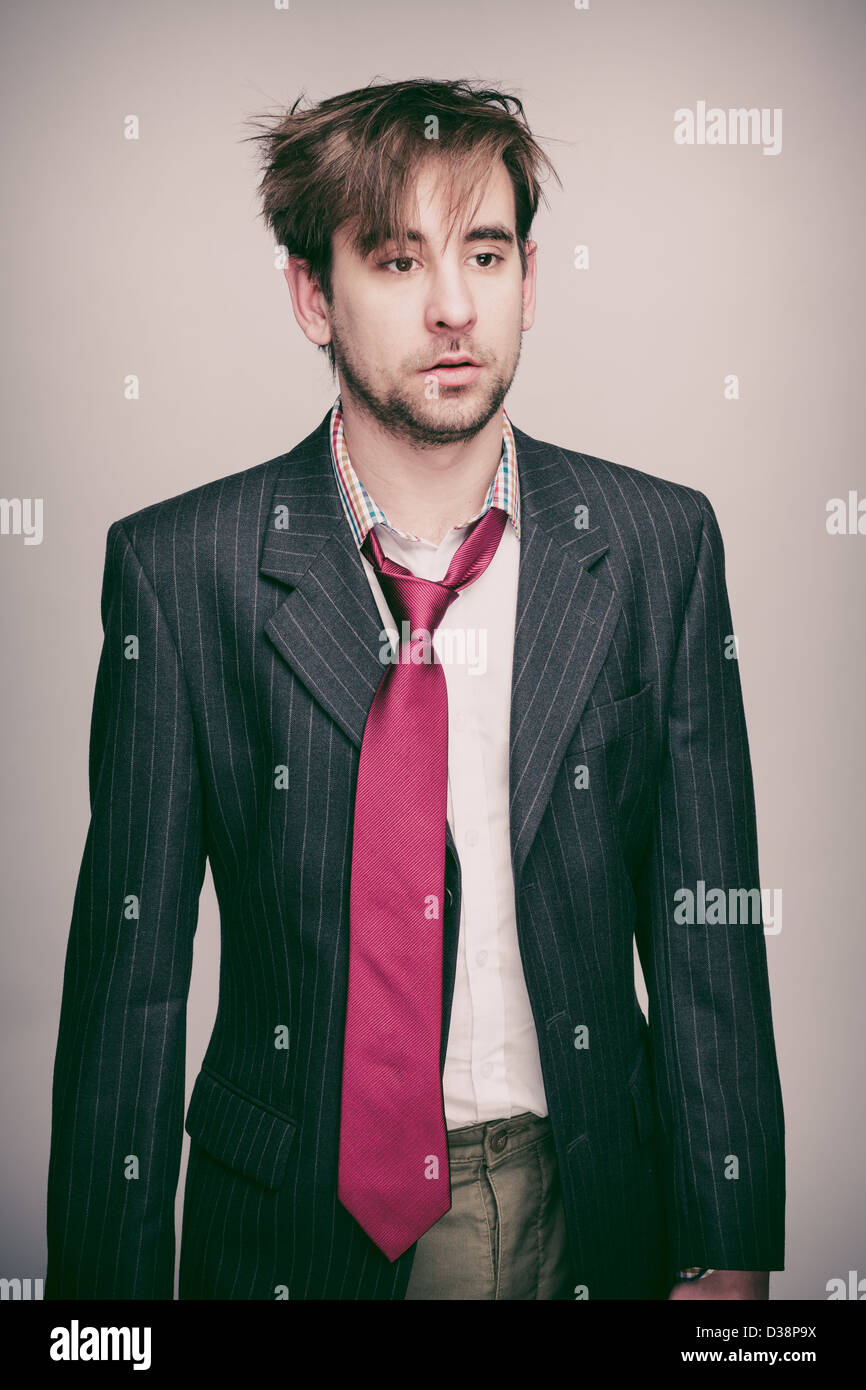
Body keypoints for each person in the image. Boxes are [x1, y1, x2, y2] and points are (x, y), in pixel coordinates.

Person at [46, 78, 785, 1301]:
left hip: (591, 1210)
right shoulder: (181, 573)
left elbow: (705, 931)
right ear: (310, 296)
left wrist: (729, 1244)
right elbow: (129, 987)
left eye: (483, 253)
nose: (451, 307)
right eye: (394, 262)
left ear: (528, 281)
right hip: (289, 1232)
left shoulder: (657, 545)